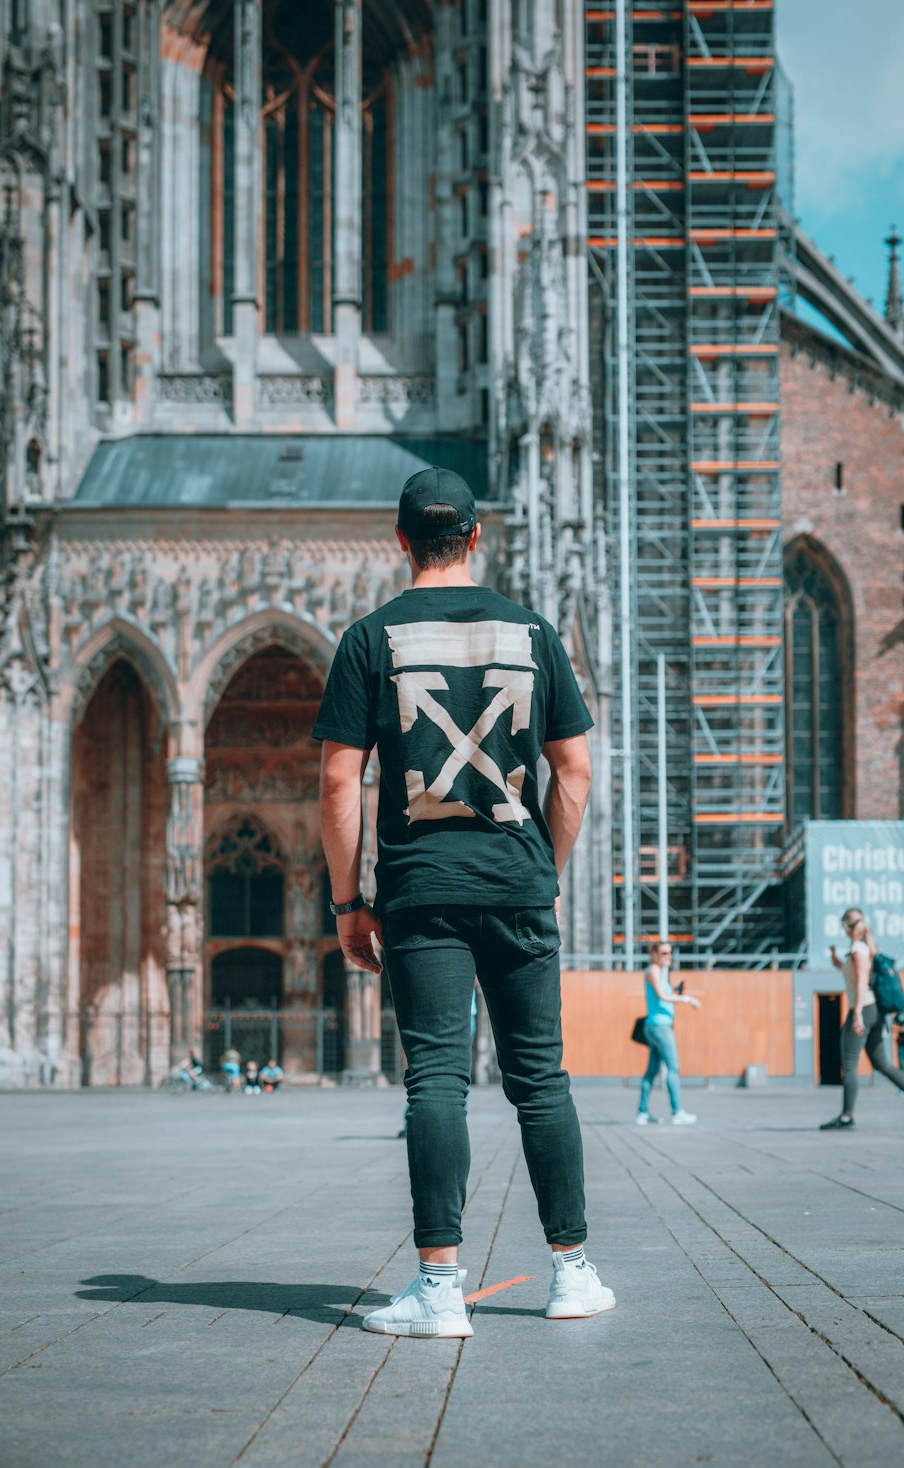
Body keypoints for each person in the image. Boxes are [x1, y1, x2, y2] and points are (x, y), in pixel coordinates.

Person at [314, 465, 615, 1339]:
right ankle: (572, 1272)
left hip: (422, 894)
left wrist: (349, 903)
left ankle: (440, 1291)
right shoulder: (533, 631)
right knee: (540, 1080)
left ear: (400, 540)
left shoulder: (369, 638)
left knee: (436, 1081)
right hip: (518, 884)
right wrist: (541, 869)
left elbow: (340, 783)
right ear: (477, 538)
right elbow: (577, 769)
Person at [822, 908, 904, 1131]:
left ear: (846, 927)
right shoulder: (866, 948)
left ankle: (846, 1116)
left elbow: (862, 980)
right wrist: (836, 960)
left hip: (863, 1008)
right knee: (881, 1063)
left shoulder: (857, 949)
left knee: (850, 1064)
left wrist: (855, 1014)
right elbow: (854, 975)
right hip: (874, 1010)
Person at [636, 941, 700, 1126]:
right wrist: (687, 999)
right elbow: (663, 997)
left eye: (670, 953)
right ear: (654, 954)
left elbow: (663, 994)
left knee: (652, 1071)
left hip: (656, 1026)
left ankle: (642, 1113)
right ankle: (677, 1112)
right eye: (664, 953)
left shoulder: (658, 973)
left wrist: (674, 989)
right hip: (659, 1027)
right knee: (673, 1067)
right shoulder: (653, 971)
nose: (668, 956)